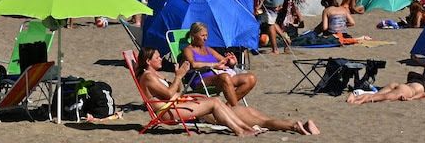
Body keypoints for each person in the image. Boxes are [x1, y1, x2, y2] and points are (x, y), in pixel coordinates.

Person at [136, 48, 319, 136]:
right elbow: (169, 95)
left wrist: (177, 81)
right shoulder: (147, 77)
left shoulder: (154, 75)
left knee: (250, 112)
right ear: (147, 62)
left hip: (184, 105)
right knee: (216, 102)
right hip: (171, 110)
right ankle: (242, 130)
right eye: (157, 57)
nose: (161, 59)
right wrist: (179, 76)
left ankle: (295, 124)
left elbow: (175, 91)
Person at [181, 22, 257, 106]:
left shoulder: (208, 49)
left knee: (251, 78)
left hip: (220, 77)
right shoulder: (188, 50)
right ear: (193, 36)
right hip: (199, 79)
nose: (205, 38)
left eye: (206, 35)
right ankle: (236, 108)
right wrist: (214, 65)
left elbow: (223, 60)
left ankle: (228, 106)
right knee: (225, 77)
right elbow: (193, 64)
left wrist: (231, 62)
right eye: (202, 36)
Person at [346, 56, 425, 104]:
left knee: (378, 95)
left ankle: (356, 96)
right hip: (407, 90)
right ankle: (358, 100)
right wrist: (412, 98)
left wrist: (420, 62)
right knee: (378, 97)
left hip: (399, 85)